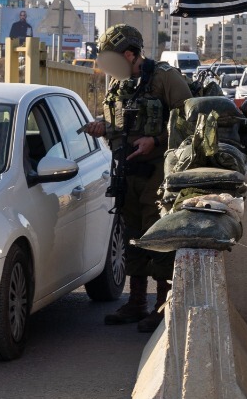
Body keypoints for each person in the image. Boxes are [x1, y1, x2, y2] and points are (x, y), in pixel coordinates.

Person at [81, 23, 191, 331]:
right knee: (132, 237)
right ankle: (136, 301)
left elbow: (190, 123)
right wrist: (104, 127)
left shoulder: (165, 79)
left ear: (130, 54)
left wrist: (155, 142)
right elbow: (124, 123)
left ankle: (162, 305)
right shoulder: (118, 85)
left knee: (158, 237)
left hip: (158, 173)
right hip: (127, 171)